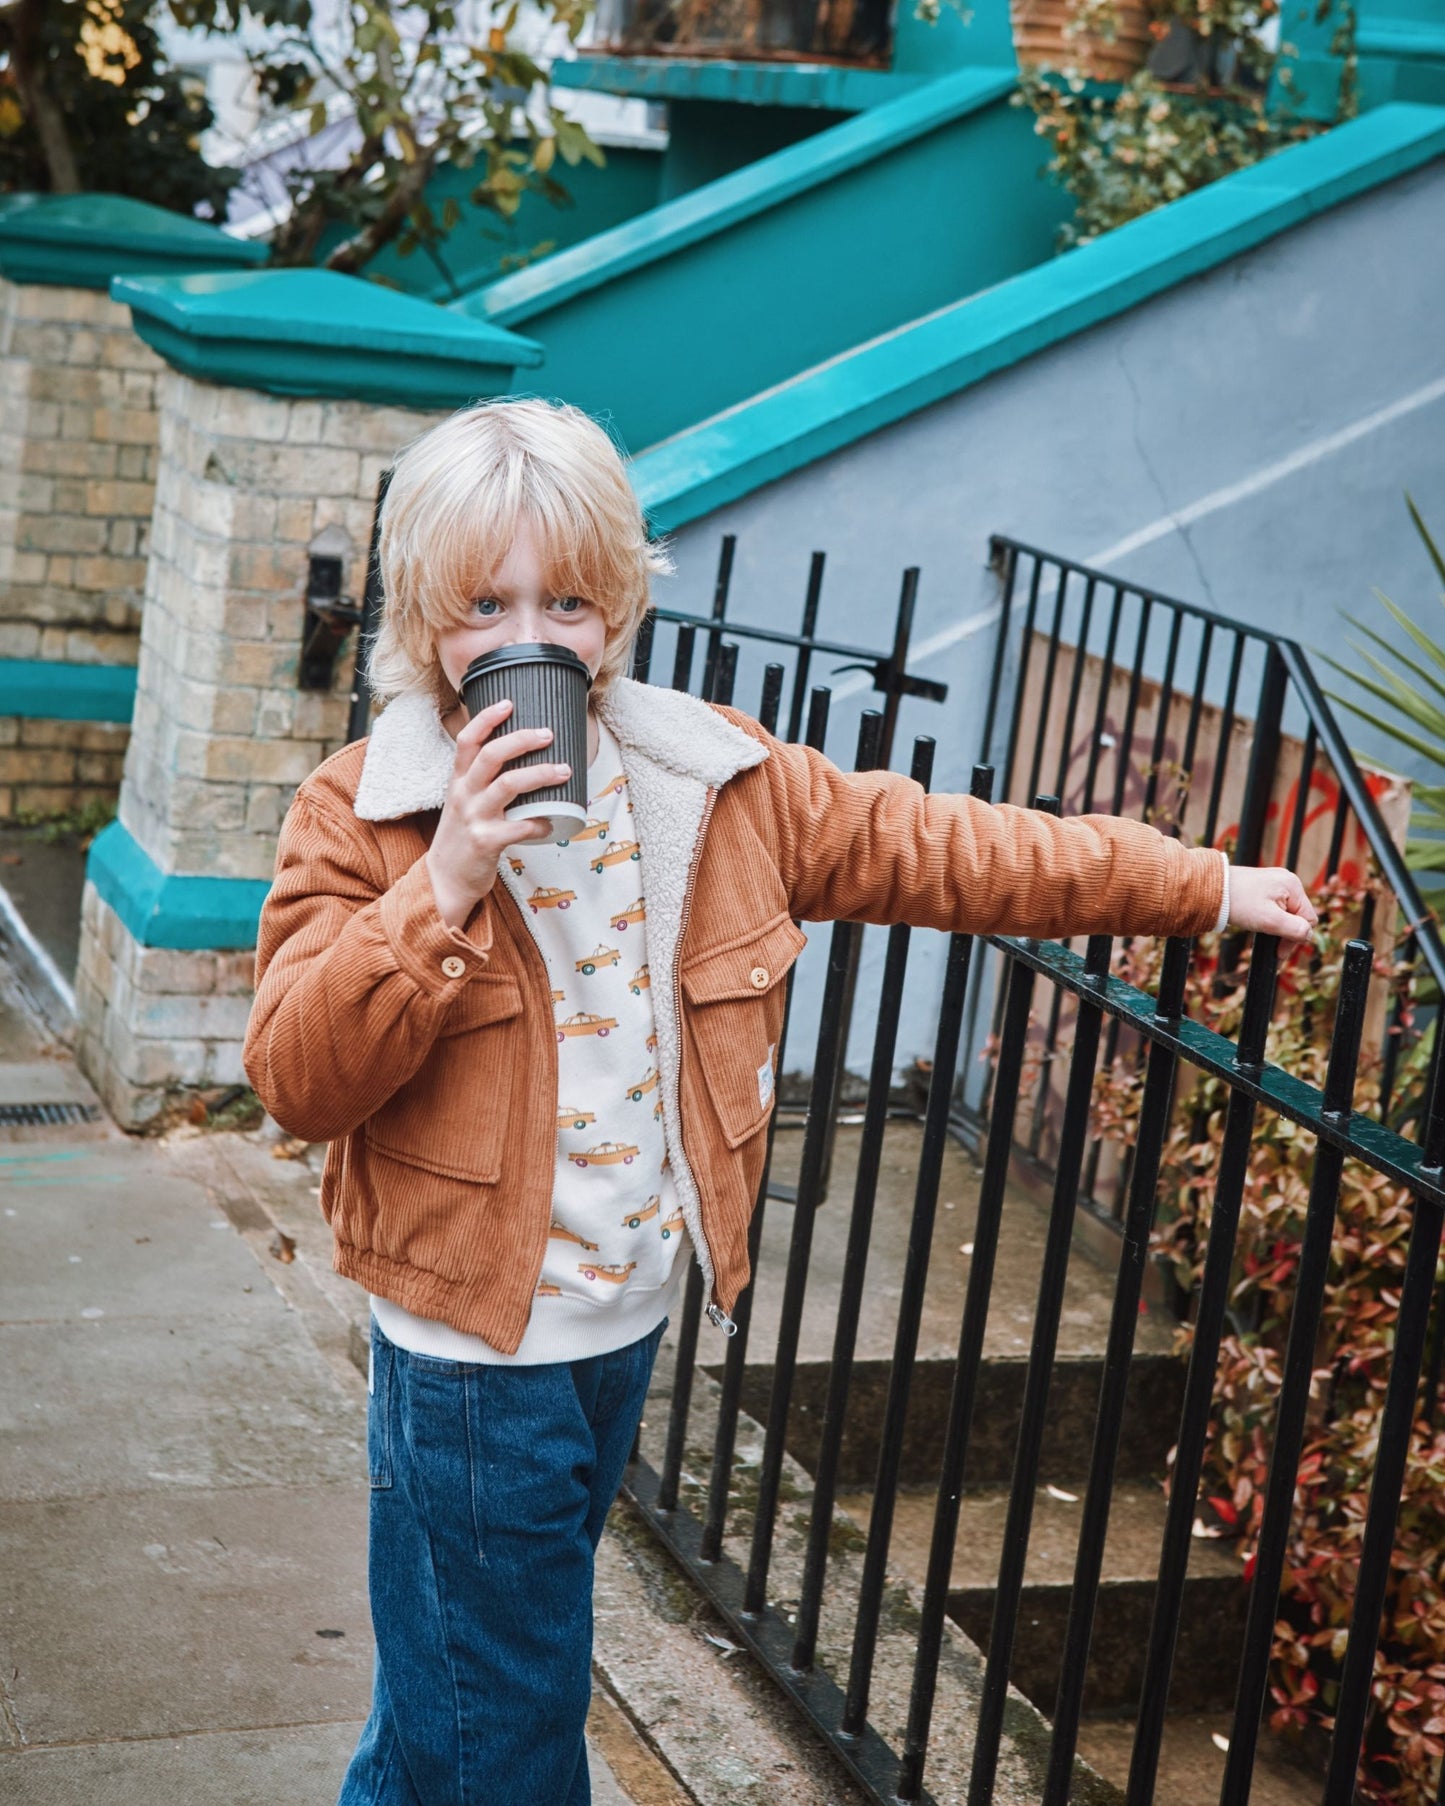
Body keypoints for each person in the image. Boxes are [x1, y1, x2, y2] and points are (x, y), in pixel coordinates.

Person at [243, 398, 1318, 1805]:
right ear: (425, 619)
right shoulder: (363, 809)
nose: (536, 634)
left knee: (448, 1715)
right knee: (500, 1744)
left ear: (618, 603)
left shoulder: (713, 784)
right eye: (487, 603)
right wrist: (442, 878)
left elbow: (946, 847)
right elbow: (294, 1075)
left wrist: (1197, 883)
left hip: (616, 1338)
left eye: (568, 597)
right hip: (466, 1369)